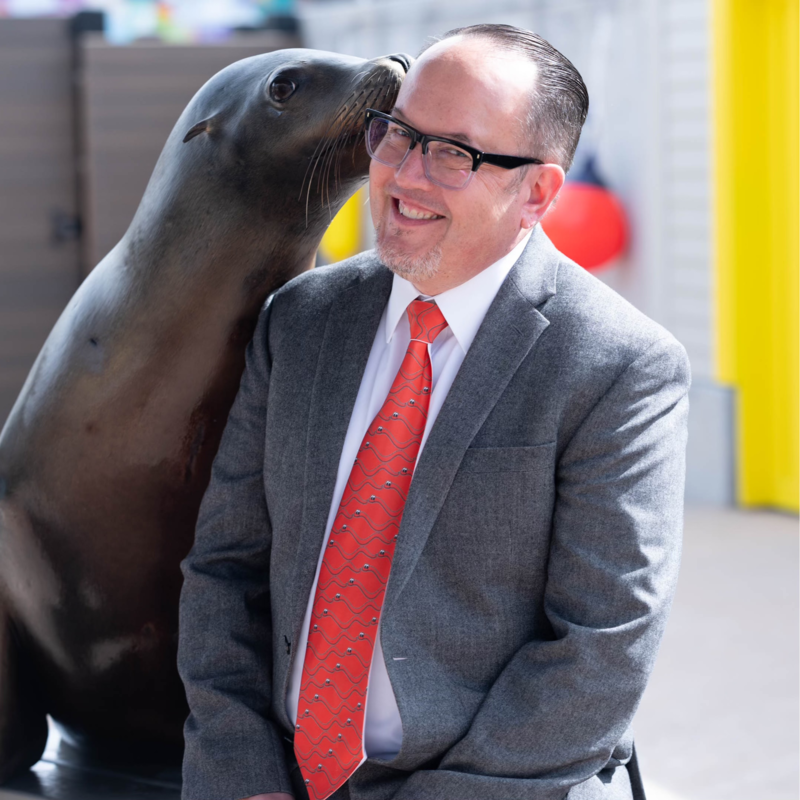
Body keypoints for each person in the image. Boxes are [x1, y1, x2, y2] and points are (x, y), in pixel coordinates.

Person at [177, 23, 690, 800]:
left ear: (539, 192)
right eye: (399, 135)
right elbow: (223, 570)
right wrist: (244, 775)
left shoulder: (617, 365)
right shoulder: (300, 322)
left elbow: (602, 647)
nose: (406, 176)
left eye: (456, 153)